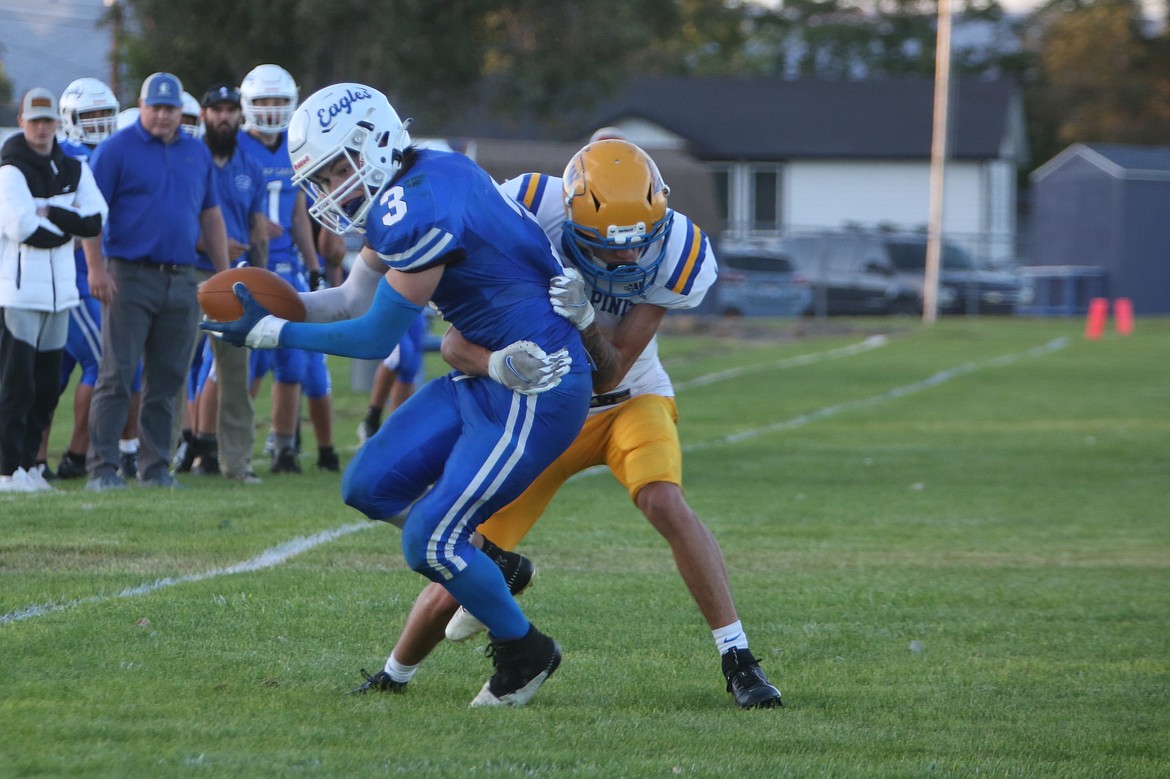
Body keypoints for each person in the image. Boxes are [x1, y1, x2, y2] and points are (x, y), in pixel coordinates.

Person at [203, 82, 590, 707]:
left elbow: (374, 334)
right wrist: (277, 304)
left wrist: (273, 332)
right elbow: (352, 299)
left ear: (373, 141)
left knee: (429, 542)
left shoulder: (420, 203)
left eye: (335, 167)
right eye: (320, 176)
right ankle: (495, 563)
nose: (330, 187)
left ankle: (526, 652)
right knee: (368, 485)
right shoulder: (416, 179)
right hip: (486, 375)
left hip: (537, 383)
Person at [364, 139, 783, 709]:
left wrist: (586, 320)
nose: (623, 260)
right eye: (604, 249)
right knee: (466, 554)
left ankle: (740, 661)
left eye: (638, 246)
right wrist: (497, 366)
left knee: (664, 500)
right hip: (542, 417)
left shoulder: (679, 249)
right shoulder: (529, 211)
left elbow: (611, 374)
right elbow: (456, 342)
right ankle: (395, 674)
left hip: (628, 399)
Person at [83, 72, 229, 491]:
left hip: (182, 278)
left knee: (167, 379)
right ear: (142, 106)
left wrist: (222, 272)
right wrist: (96, 269)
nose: (164, 116)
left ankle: (155, 468)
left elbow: (211, 215)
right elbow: (91, 214)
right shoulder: (115, 150)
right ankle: (103, 468)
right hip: (128, 275)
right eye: (156, 107)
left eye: (171, 109)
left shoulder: (195, 153)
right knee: (117, 374)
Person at [0, 88, 107, 492]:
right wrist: (69, 224)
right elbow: (22, 229)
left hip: (61, 294)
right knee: (17, 385)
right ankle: (8, 470)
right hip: (19, 292)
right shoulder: (10, 170)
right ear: (23, 122)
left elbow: (95, 221)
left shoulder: (74, 168)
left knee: (45, 389)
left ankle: (30, 467)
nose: (42, 128)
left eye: (48, 121)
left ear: (57, 125)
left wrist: (53, 212)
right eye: (35, 120)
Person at [49, 76, 144, 483]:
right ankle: (78, 454)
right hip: (77, 279)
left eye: (106, 113)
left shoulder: (112, 151)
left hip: (97, 277)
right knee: (103, 363)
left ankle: (37, 458)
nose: (101, 122)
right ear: (70, 119)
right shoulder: (69, 158)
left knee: (56, 373)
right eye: (91, 115)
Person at [236, 63, 329, 474]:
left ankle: (284, 447)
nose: (272, 110)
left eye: (278, 101)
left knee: (291, 361)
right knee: (244, 361)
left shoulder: (295, 148)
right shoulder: (235, 146)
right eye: (264, 101)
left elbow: (298, 217)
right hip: (246, 264)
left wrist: (313, 266)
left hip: (287, 266)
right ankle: (224, 442)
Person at [179, 83, 268, 482]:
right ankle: (159, 460)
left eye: (230, 110)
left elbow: (258, 229)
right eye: (216, 109)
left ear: (239, 116)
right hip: (191, 272)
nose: (224, 117)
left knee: (235, 375)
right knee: (173, 368)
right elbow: (173, 221)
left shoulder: (250, 166)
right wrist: (210, 243)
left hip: (236, 281)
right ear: (203, 114)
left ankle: (238, 464)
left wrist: (262, 284)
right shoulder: (188, 159)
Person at [356, 311, 429, 443]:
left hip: (415, 300)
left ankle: (396, 434)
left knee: (411, 367)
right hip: (389, 297)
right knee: (400, 354)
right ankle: (372, 420)